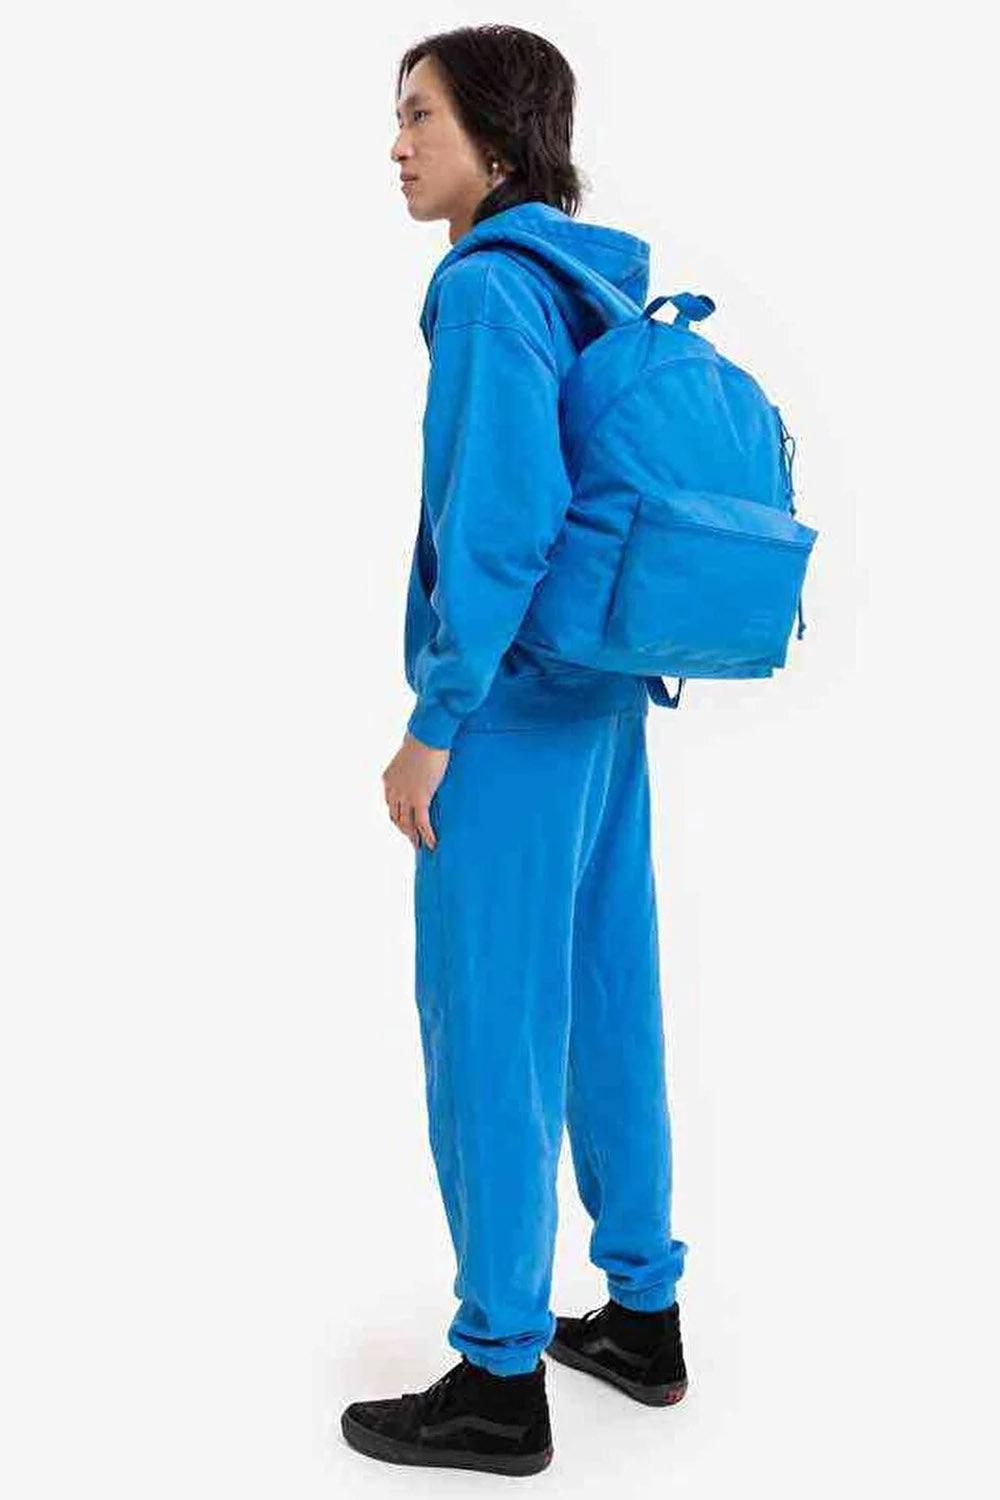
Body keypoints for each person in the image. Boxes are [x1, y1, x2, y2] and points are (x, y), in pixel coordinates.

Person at [341, 25, 689, 1476]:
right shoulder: (585, 279)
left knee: (491, 1027)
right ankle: (644, 1315)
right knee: (608, 1004)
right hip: (603, 695)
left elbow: (498, 523)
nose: (397, 143)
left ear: (496, 139)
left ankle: (497, 1381)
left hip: (510, 712)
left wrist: (436, 722)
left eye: (422, 115)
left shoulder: (489, 287)